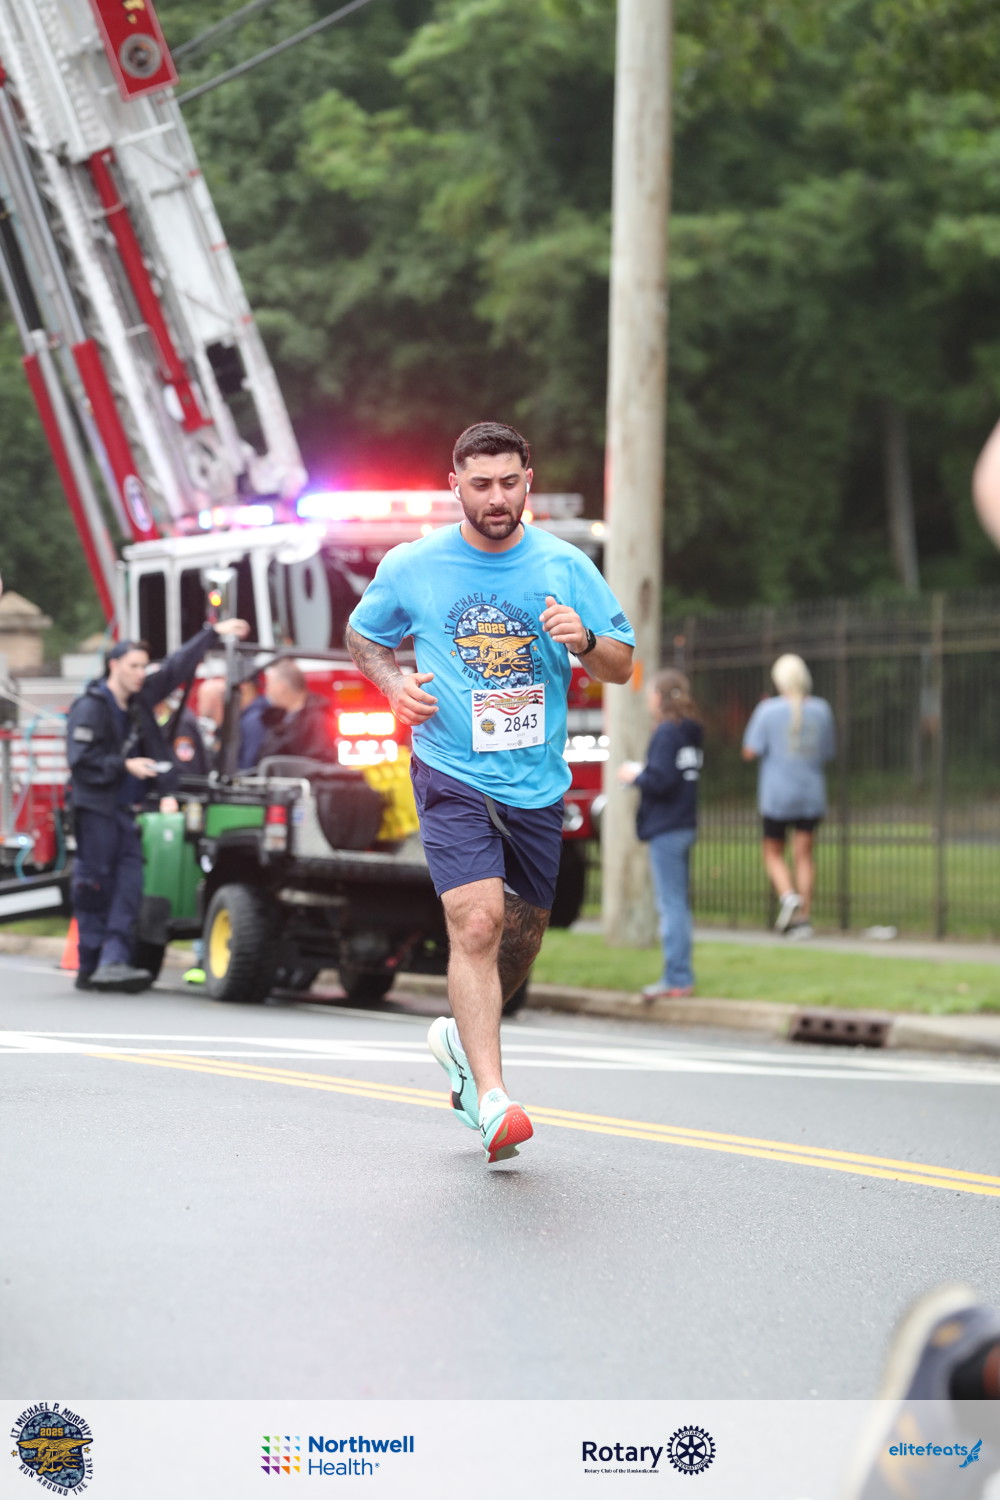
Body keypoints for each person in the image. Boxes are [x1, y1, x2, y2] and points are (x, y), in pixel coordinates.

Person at [345, 420, 634, 1163]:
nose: (496, 498)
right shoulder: (415, 564)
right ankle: (493, 1097)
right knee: (476, 923)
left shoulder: (565, 564)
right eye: (481, 485)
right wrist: (393, 686)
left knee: (519, 940)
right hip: (451, 766)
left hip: (535, 779)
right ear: (456, 486)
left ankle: (457, 1039)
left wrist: (584, 640)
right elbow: (364, 636)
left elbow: (622, 664)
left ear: (528, 479)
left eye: (509, 482)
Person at [66, 619, 249, 993]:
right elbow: (80, 761)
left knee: (129, 886)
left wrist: (212, 633)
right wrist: (125, 766)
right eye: (133, 666)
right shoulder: (90, 708)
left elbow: (176, 668)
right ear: (114, 665)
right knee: (95, 886)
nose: (140, 674)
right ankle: (91, 964)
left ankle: (114, 962)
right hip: (95, 812)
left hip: (125, 813)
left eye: (143, 667)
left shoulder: (139, 701)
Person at [618, 668, 703, 1000]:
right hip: (684, 822)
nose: (648, 700)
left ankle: (677, 977)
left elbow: (661, 780)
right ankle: (680, 974)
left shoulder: (667, 732)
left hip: (667, 826)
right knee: (676, 902)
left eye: (651, 694)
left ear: (660, 697)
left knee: (671, 905)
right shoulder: (690, 730)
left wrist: (635, 776)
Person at [741, 654, 835, 938]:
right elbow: (827, 752)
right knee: (804, 856)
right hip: (810, 793)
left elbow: (750, 751)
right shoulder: (821, 710)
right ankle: (804, 918)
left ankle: (788, 895)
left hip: (777, 795)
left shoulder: (767, 710)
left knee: (773, 853)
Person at [258, 660, 336, 764]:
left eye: (269, 684)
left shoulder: (318, 718)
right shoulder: (276, 717)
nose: (267, 690)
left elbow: (321, 761)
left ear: (281, 687)